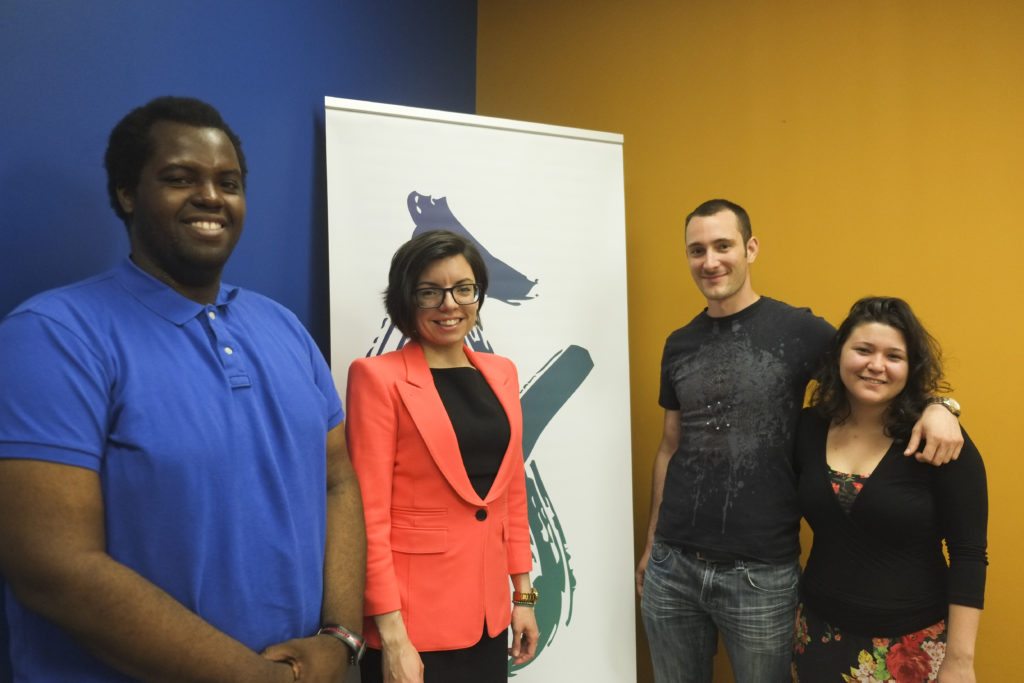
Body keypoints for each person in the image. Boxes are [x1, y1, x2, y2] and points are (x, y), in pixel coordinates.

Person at [0, 96, 365, 682]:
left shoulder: (285, 328)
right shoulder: (53, 337)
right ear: (126, 193)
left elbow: (339, 479)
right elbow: (53, 567)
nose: (212, 197)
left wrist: (340, 639)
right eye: (179, 178)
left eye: (229, 181)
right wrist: (256, 678)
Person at [635, 199, 965, 683]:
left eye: (723, 246)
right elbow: (670, 447)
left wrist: (941, 406)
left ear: (750, 248)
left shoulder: (799, 330)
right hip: (672, 566)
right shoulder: (679, 343)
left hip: (760, 575)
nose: (710, 261)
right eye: (696, 250)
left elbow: (873, 369)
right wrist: (650, 546)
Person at [345, 229, 539, 683]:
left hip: (489, 619)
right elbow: (367, 516)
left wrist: (523, 597)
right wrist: (392, 637)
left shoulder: (501, 373)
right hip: (414, 625)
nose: (449, 304)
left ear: (478, 295)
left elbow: (510, 493)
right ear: (406, 300)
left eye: (463, 289)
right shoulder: (377, 379)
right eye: (430, 292)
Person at [793, 297, 987, 682]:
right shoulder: (806, 429)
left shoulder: (940, 441)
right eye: (863, 350)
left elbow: (968, 555)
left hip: (911, 649)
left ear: (910, 368)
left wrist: (960, 662)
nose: (876, 365)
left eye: (893, 356)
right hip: (817, 637)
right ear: (838, 356)